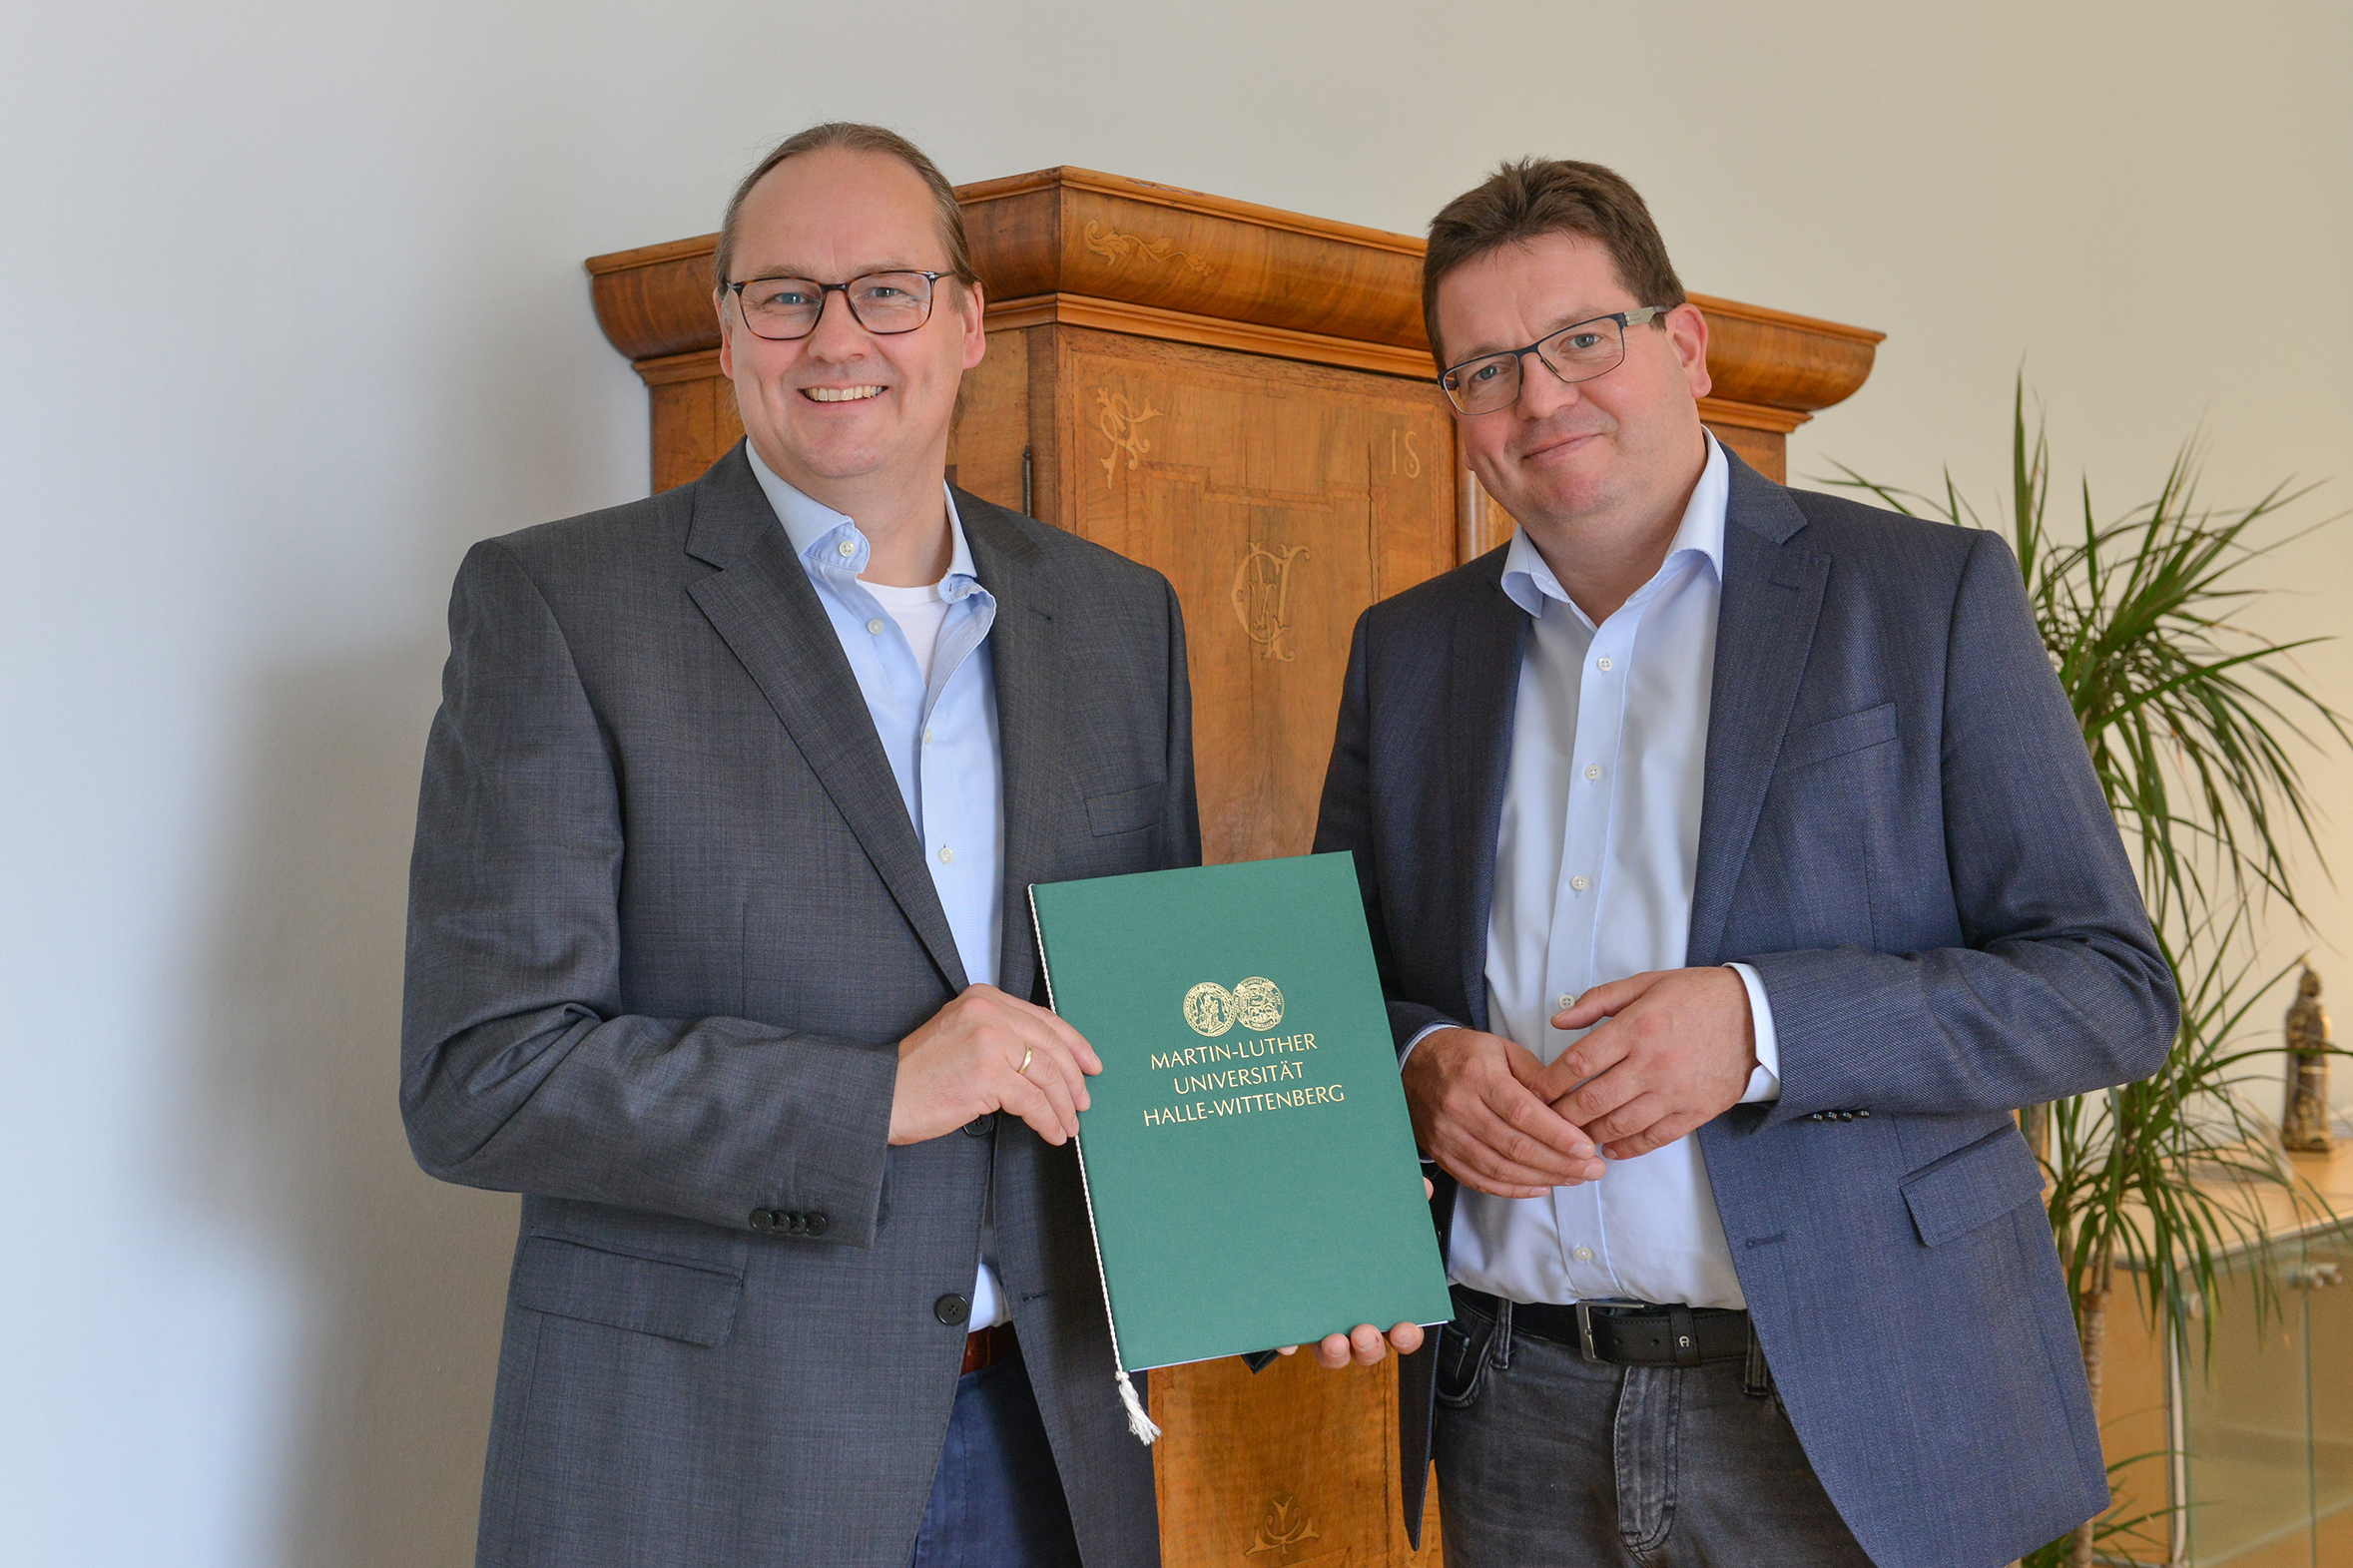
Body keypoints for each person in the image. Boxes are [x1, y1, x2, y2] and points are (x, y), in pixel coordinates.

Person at [1311, 158, 2178, 1568]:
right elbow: (1330, 984)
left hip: (1852, 1412)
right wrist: (1417, 1065)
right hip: (1510, 1403)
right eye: (1485, 370)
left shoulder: (1924, 596)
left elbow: (2107, 989)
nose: (1540, 398)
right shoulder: (1407, 650)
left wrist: (1763, 1027)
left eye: (1582, 339)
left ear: (1687, 346)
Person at [400, 123, 1198, 1568]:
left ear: (966, 324)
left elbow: (1155, 1020)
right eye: (785, 297)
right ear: (728, 335)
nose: (838, 337)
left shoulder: (1115, 616)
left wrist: (1306, 1229)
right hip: (705, 1459)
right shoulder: (560, 606)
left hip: (1047, 1441)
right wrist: (873, 1095)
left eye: (887, 290)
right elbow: (483, 1078)